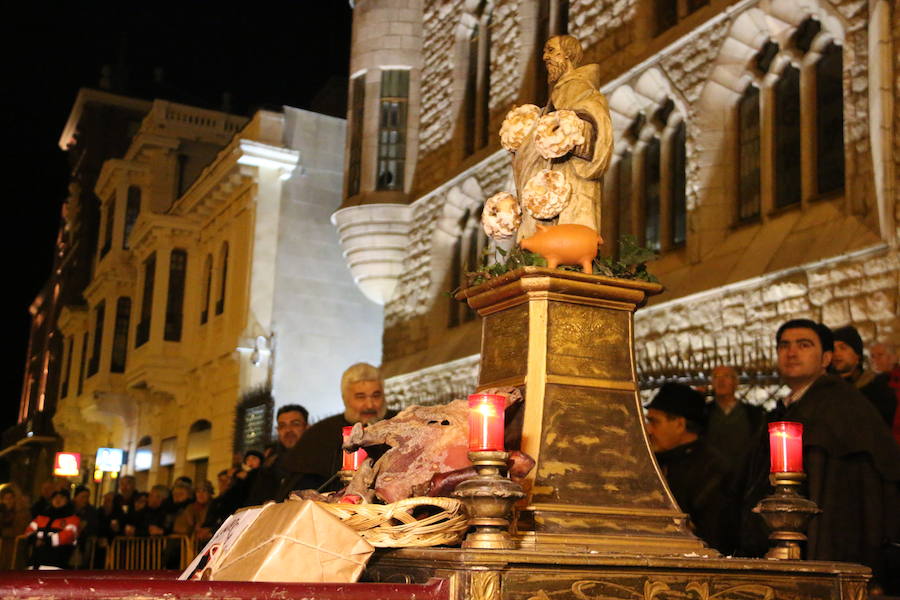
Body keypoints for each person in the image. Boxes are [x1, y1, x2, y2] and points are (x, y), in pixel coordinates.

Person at [736, 319, 900, 593]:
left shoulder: (839, 406)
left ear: (826, 358)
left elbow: (847, 495)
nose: (791, 352)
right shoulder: (790, 408)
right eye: (784, 345)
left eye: (804, 345)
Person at [513, 34, 614, 241]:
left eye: (551, 50)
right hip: (550, 192)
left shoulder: (579, 88)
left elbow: (596, 127)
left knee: (569, 247)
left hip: (572, 188)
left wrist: (572, 135)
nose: (544, 57)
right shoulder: (560, 93)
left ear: (567, 54)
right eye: (544, 51)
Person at [280, 363, 398, 496]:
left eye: (376, 396)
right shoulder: (320, 434)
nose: (370, 405)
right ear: (345, 399)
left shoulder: (401, 425)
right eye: (360, 397)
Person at [644, 382, 732, 552]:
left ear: (679, 425)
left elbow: (713, 536)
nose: (648, 430)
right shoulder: (653, 462)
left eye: (654, 422)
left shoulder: (712, 469)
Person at [830, 325, 896, 428]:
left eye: (843, 348)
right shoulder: (827, 388)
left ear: (857, 355)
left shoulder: (877, 389)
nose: (836, 353)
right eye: (833, 349)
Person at [704, 366, 765, 472]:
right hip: (710, 474)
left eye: (726, 376)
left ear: (736, 383)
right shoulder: (703, 413)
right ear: (712, 383)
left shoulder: (753, 414)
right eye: (716, 377)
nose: (721, 380)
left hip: (744, 473)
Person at [24, 489, 80, 569]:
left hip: (58, 562)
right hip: (36, 561)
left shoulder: (72, 518)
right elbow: (29, 531)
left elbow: (69, 535)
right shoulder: (42, 516)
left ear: (67, 500)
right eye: (55, 497)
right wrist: (34, 539)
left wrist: (46, 541)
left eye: (61, 497)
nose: (58, 500)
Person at [870, 341, 900, 444]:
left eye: (880, 355)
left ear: (893, 358)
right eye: (872, 356)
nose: (875, 360)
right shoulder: (871, 382)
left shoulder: (895, 380)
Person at [0, 486, 30, 569]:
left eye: (10, 498)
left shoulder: (21, 513)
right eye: (6, 499)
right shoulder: (2, 512)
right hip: (3, 548)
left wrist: (4, 533)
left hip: (14, 549)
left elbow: (19, 530)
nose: (8, 501)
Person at [71, 486, 98, 568]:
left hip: (83, 541)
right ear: (76, 497)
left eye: (87, 497)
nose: (85, 500)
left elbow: (94, 527)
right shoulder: (69, 509)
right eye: (83, 497)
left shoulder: (91, 511)